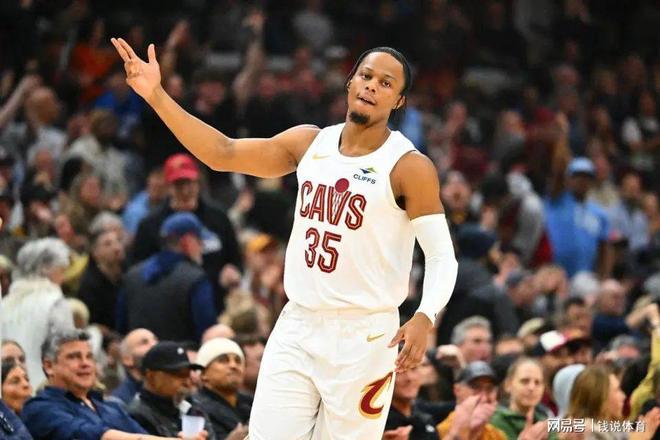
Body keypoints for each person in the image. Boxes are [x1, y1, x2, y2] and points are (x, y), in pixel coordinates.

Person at [111, 38, 458, 439]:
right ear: (350, 82)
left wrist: (425, 315)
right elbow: (222, 153)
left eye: (386, 83)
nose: (372, 86)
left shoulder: (408, 166)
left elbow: (441, 256)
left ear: (398, 101)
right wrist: (156, 95)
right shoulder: (310, 143)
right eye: (366, 75)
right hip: (299, 322)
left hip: (365, 335)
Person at [20, 330, 186, 439]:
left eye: (89, 357)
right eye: (74, 357)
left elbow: (144, 436)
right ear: (49, 366)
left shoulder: (111, 408)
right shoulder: (39, 408)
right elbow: (90, 435)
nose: (85, 363)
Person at [117, 212, 218, 341]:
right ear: (187, 241)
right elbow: (207, 332)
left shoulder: (132, 276)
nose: (202, 246)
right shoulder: (196, 279)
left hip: (139, 352)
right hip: (184, 353)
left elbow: (121, 327)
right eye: (199, 241)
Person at [1, 238, 74, 387]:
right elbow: (67, 350)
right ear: (46, 268)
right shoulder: (55, 302)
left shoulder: (5, 302)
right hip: (43, 385)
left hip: (6, 386)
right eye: (61, 271)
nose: (63, 278)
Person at [128, 341, 213, 438]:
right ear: (151, 376)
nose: (187, 382)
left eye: (188, 374)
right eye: (179, 375)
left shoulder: (194, 408)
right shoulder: (137, 416)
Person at [192, 338, 251, 440]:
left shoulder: (252, 403)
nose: (233, 366)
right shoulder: (195, 408)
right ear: (203, 373)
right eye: (223, 360)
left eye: (238, 361)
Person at [436, 361, 507, 440]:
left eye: (489, 389)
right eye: (476, 387)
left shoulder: (496, 434)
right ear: (457, 390)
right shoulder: (441, 431)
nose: (484, 398)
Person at [490, 357, 554, 440]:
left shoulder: (545, 421)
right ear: (508, 385)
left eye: (537, 382)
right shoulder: (495, 421)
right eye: (525, 381)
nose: (531, 387)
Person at [383, 362, 438, 439]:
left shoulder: (424, 417)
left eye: (413, 369)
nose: (409, 378)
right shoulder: (378, 423)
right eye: (400, 372)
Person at [110, 328, 158, 407]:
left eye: (156, 340)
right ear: (127, 359)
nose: (155, 345)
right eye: (144, 342)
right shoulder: (118, 403)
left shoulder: (168, 393)